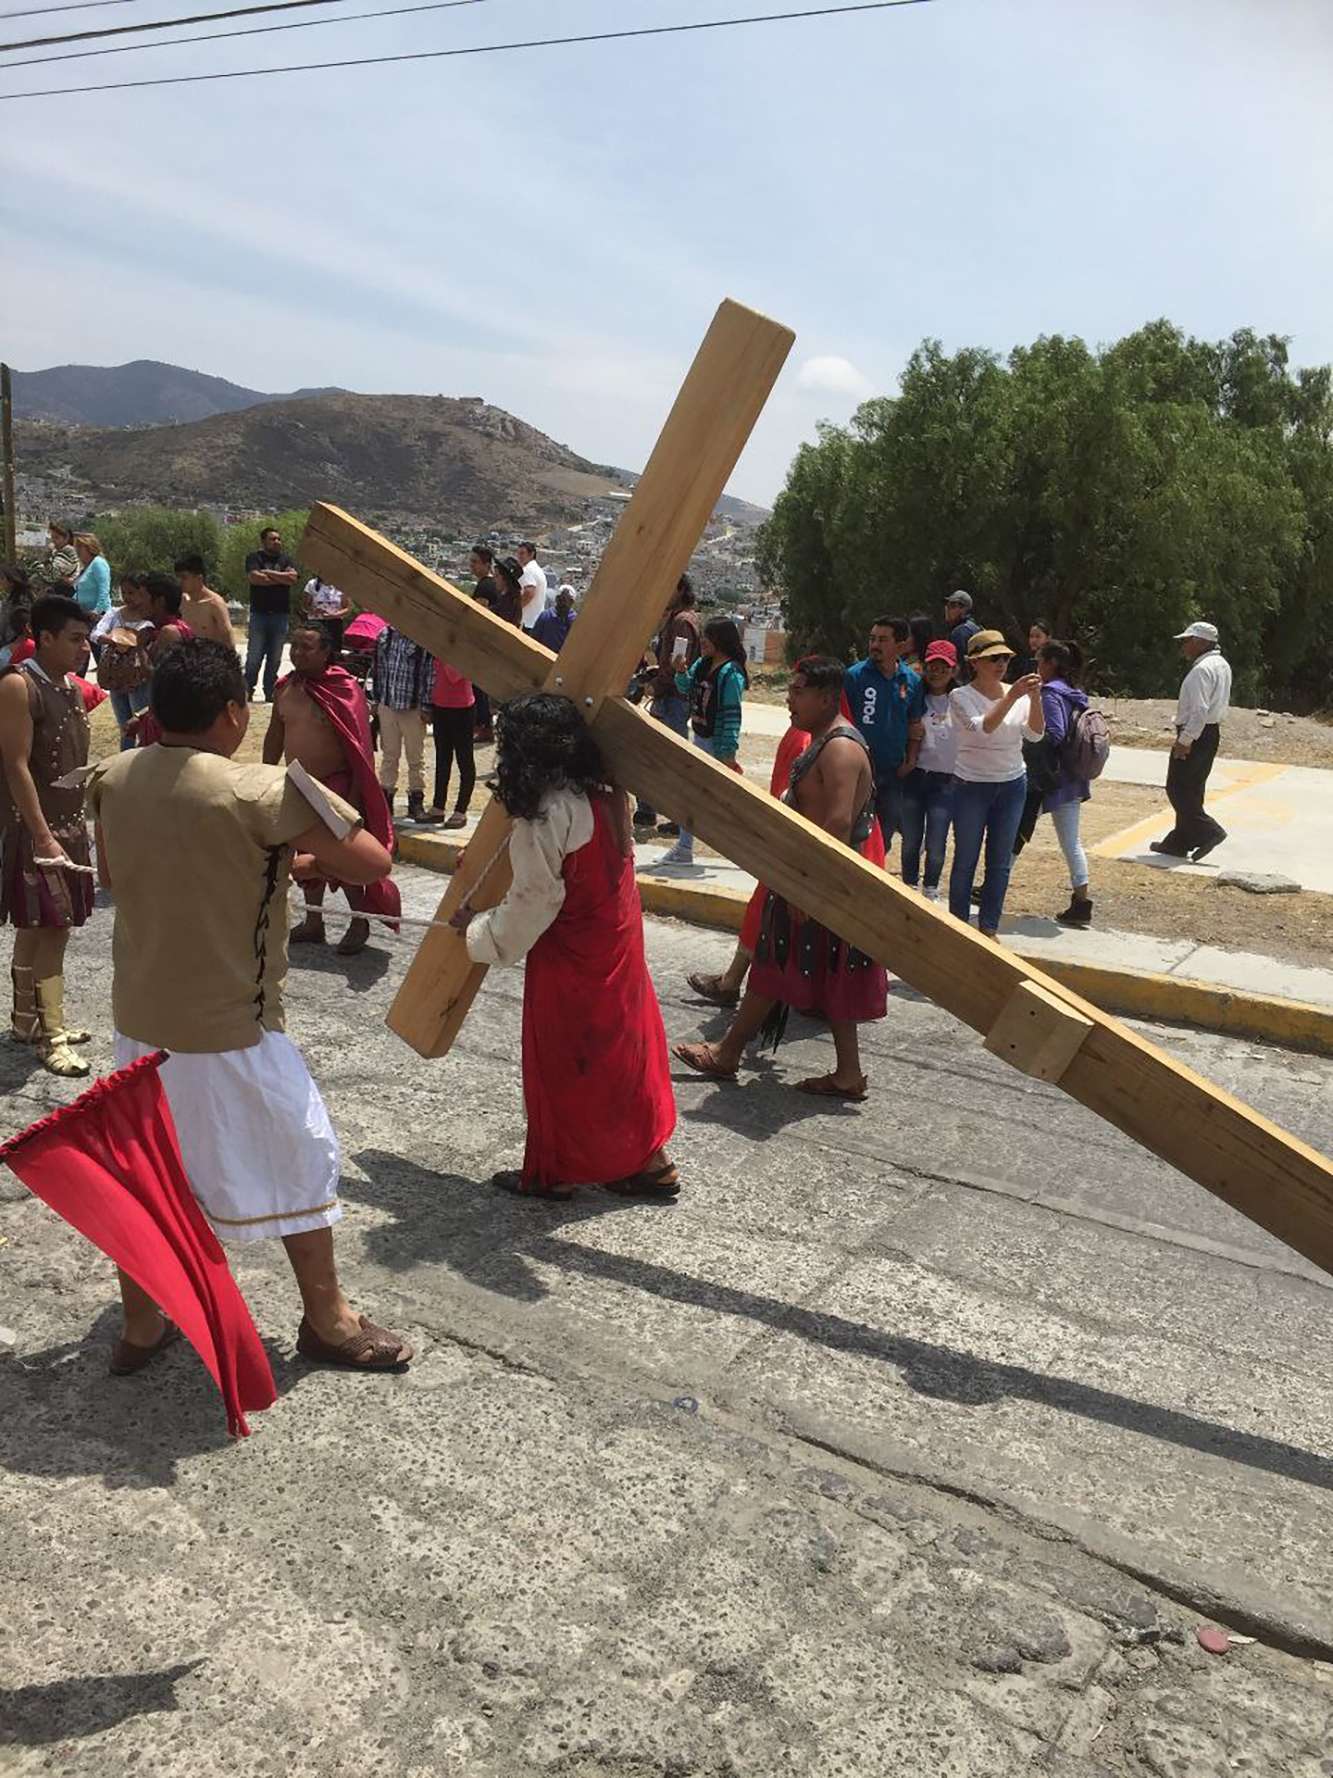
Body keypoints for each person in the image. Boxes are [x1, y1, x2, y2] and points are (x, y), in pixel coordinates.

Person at [88, 637, 412, 1372]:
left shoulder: (115, 773)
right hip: (230, 1023)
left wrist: (267, 863)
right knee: (302, 1156)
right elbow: (370, 861)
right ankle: (327, 1321)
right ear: (233, 712)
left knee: (152, 1174)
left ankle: (142, 1325)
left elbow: (124, 868)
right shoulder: (257, 791)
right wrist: (299, 828)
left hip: (139, 1021)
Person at [449, 692, 678, 1201]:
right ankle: (648, 1159)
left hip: (572, 955)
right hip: (616, 938)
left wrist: (476, 932)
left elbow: (534, 901)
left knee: (566, 1064)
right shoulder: (608, 791)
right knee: (624, 1048)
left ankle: (557, 1172)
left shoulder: (547, 813)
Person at [674, 656, 888, 1100]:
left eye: (798, 691)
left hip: (819, 885)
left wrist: (807, 888)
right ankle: (847, 1074)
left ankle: (729, 1052)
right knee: (823, 978)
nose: (789, 699)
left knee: (774, 970)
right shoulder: (822, 741)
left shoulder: (841, 749)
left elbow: (838, 825)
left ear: (826, 698)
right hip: (806, 881)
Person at [0, 592, 96, 1077]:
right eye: (75, 639)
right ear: (47, 637)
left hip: (69, 827)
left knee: (37, 927)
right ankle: (51, 1035)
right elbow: (15, 765)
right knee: (50, 928)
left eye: (86, 638)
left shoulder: (72, 687)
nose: (85, 647)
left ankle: (25, 1020)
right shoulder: (20, 686)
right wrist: (41, 836)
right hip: (37, 830)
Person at [264, 621, 400, 956]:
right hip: (297, 785)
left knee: (343, 858)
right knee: (304, 856)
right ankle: (314, 921)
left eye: (306, 647)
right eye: (294, 645)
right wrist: (265, 775)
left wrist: (351, 800)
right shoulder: (284, 687)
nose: (298, 653)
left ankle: (359, 921)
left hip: (336, 788)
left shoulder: (344, 689)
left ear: (326, 652)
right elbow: (274, 735)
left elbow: (359, 751)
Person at [948, 630, 1044, 939]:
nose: (1001, 664)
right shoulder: (960, 696)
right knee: (966, 858)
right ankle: (958, 926)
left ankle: (989, 926)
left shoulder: (1014, 693)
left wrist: (1035, 698)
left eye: (1005, 658)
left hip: (1012, 783)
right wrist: (1013, 696)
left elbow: (1035, 735)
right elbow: (983, 729)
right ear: (974, 662)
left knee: (1000, 861)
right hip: (971, 785)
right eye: (993, 658)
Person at [646, 616, 747, 870]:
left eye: (707, 637)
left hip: (716, 743)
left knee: (712, 801)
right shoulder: (704, 664)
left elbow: (731, 714)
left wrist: (727, 752)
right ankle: (684, 847)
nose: (702, 642)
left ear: (720, 640)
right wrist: (680, 670)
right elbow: (687, 687)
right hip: (701, 737)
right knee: (691, 796)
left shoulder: (730, 673)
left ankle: (740, 849)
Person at [843, 615, 925, 859]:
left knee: (883, 837)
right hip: (858, 773)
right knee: (853, 835)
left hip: (892, 773)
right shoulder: (855, 677)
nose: (875, 645)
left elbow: (915, 722)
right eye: (872, 639)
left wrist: (910, 759)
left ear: (900, 646)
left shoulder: (911, 681)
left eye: (882, 640)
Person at [1152, 620, 1233, 863]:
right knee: (1193, 787)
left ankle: (1209, 831)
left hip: (1196, 732)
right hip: (1210, 732)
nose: (1184, 646)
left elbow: (1199, 710)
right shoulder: (1221, 665)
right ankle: (1180, 841)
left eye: (1187, 641)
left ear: (1200, 643)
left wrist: (1185, 739)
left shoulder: (1201, 670)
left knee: (1177, 787)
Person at [1030, 639, 1094, 927]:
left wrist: (1029, 739)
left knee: (1016, 831)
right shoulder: (1075, 693)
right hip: (1072, 777)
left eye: (1040, 661)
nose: (1037, 667)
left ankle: (992, 888)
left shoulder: (1051, 694)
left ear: (1051, 663)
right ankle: (1081, 902)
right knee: (1070, 841)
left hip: (1051, 778)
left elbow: (1054, 734)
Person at [632, 575, 701, 834]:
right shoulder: (679, 618)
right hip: (670, 698)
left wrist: (656, 685)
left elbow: (677, 665)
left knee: (670, 760)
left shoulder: (682, 622)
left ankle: (674, 816)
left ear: (681, 589)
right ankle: (649, 809)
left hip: (672, 699)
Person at [899, 639, 957, 899]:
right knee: (911, 839)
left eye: (943, 667)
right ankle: (910, 885)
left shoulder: (959, 700)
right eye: (932, 666)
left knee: (936, 841)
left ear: (954, 670)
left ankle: (931, 888)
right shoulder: (914, 696)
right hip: (916, 776)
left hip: (945, 781)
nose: (937, 672)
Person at [370, 623, 433, 822]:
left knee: (416, 757)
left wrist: (427, 705)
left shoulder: (423, 638)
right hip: (388, 704)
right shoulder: (384, 636)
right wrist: (375, 700)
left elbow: (429, 673)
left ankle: (416, 799)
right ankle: (386, 799)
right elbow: (377, 669)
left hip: (412, 707)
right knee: (390, 755)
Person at [91, 571, 155, 749]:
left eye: (132, 593)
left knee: (141, 723)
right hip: (116, 676)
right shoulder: (114, 614)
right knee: (125, 726)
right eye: (124, 593)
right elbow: (95, 633)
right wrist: (111, 639)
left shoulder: (148, 617)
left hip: (138, 678)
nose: (127, 597)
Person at [244, 526, 299, 703]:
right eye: (272, 539)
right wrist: (280, 578)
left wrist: (268, 573)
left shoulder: (286, 559)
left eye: (278, 539)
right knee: (254, 657)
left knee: (275, 658)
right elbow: (254, 578)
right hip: (259, 614)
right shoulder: (254, 558)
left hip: (280, 615)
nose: (277, 542)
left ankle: (270, 691)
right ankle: (247, 690)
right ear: (263, 541)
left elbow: (292, 579)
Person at [427, 656, 476, 828]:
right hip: (441, 705)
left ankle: (461, 810)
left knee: (465, 760)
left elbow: (453, 674)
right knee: (442, 760)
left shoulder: (463, 648)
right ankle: (438, 806)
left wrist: (442, 653)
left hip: (462, 708)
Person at [175, 553, 235, 647]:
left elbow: (227, 637)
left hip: (210, 658)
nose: (180, 582)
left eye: (184, 577)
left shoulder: (215, 604)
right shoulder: (181, 601)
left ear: (199, 578)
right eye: (178, 577)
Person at [71, 534, 111, 620]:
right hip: (85, 614)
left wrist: (97, 611)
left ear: (89, 548)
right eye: (76, 547)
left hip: (98, 616)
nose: (77, 550)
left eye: (80, 547)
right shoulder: (85, 568)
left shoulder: (98, 563)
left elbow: (104, 589)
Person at [0, 562, 32, 669]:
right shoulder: (10, 599)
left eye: (3, 578)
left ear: (12, 581)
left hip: (14, 647)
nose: (0, 582)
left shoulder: (21, 602)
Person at [33, 520, 80, 590]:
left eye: (57, 537)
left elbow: (52, 576)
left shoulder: (68, 551)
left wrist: (45, 559)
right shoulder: (57, 552)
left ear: (66, 538)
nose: (53, 541)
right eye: (52, 537)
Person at [944, 591, 980, 678]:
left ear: (964, 609)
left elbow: (959, 666)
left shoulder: (959, 632)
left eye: (952, 606)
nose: (947, 609)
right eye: (947, 605)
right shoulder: (975, 627)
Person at [516, 541, 548, 632]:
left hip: (526, 622)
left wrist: (515, 609)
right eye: (518, 553)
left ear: (531, 554)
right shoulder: (537, 569)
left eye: (522, 553)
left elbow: (529, 592)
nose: (519, 556)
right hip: (535, 622)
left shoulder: (528, 570)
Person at [533, 586, 576, 652]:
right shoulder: (546, 615)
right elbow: (534, 638)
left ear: (572, 602)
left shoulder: (575, 621)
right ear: (556, 599)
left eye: (565, 600)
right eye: (560, 599)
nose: (562, 603)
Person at [490, 555, 525, 628]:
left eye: (496, 576)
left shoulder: (508, 604)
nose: (493, 580)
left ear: (505, 580)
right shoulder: (503, 598)